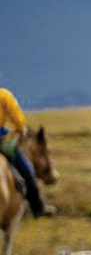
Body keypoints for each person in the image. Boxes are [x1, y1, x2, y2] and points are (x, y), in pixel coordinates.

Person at [0, 87, 52, 217]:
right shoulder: (3, 95)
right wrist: (20, 130)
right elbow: (17, 118)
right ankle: (38, 207)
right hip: (2, 144)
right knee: (27, 170)